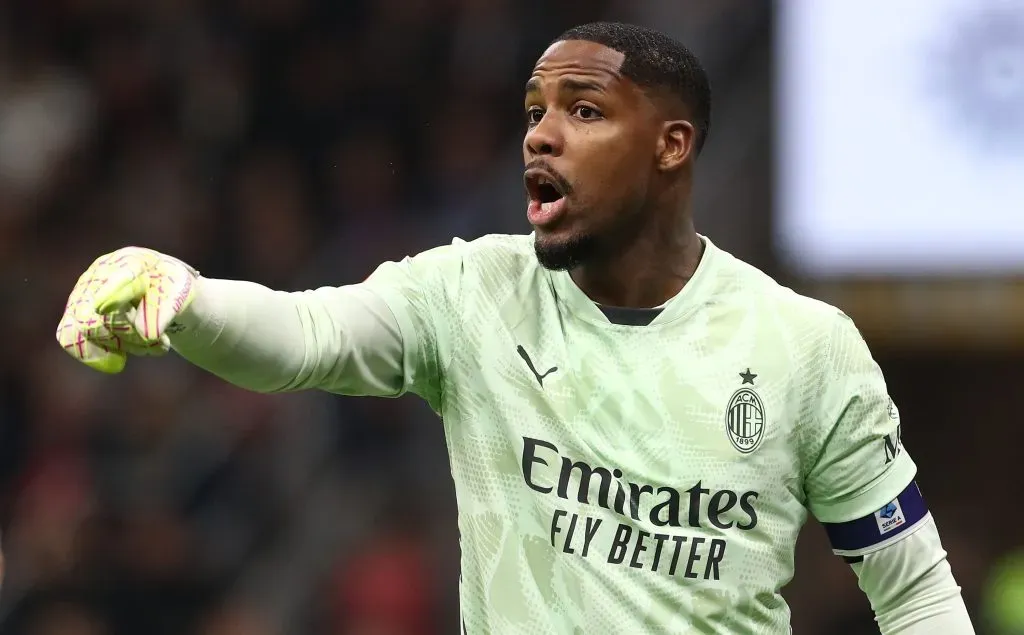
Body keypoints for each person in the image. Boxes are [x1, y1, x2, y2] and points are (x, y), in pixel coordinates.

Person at [56, 21, 975, 635]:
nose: (540, 135)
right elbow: (307, 337)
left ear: (672, 145)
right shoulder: (472, 292)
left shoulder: (803, 346)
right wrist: (186, 295)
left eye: (582, 110)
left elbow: (917, 591)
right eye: (534, 111)